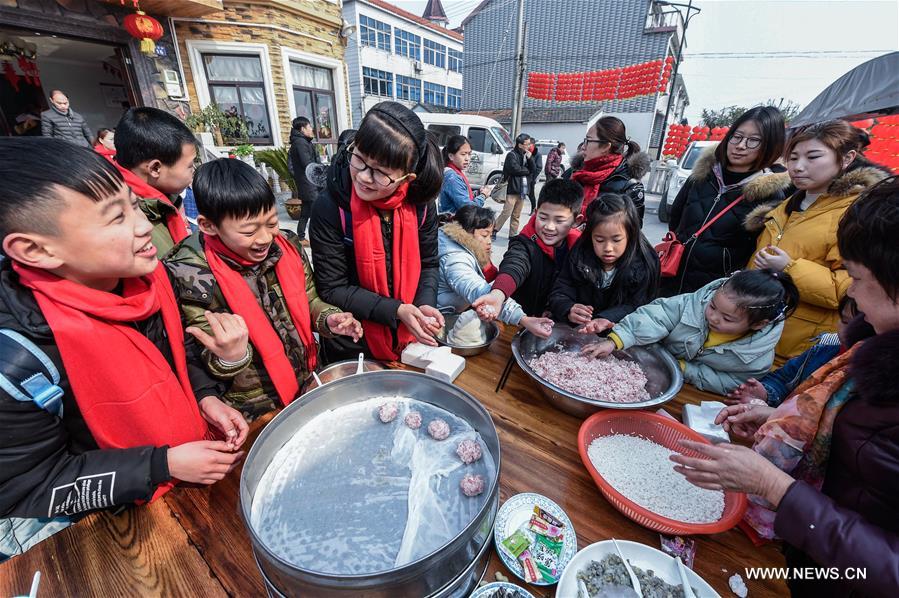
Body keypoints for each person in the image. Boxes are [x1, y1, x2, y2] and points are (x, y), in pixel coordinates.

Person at [0, 139, 249, 555]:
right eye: (116, 218)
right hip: (107, 532)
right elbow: (29, 486)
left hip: (183, 486)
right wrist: (160, 464)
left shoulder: (147, 280)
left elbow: (176, 356)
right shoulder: (19, 360)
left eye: (135, 206)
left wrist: (206, 397)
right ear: (35, 250)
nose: (140, 226)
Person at [671, 176, 899, 596]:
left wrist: (775, 485)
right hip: (815, 557)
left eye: (858, 278)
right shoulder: (869, 347)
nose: (851, 294)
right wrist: (781, 420)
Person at [165, 159, 362, 421]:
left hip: (306, 380)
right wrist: (232, 356)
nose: (265, 238)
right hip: (254, 407)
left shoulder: (287, 247)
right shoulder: (191, 273)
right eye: (249, 231)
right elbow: (201, 357)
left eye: (271, 223)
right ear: (208, 225)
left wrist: (329, 318)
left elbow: (309, 299)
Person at [309, 102, 445, 362]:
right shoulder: (331, 207)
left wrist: (424, 302)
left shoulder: (421, 206)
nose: (363, 177)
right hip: (352, 340)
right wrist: (396, 310)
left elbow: (429, 263)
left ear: (407, 178)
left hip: (409, 339)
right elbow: (333, 288)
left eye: (381, 173)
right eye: (359, 158)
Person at [746, 119, 891, 359]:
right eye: (793, 158)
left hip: (800, 344)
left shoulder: (857, 214)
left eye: (813, 157)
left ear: (847, 158)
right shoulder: (787, 204)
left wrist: (789, 268)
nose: (798, 167)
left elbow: (849, 289)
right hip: (758, 328)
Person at [583, 269, 798, 396]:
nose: (713, 317)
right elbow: (654, 317)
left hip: (694, 393)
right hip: (649, 367)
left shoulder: (756, 357)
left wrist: (686, 370)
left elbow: (732, 383)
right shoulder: (690, 305)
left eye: (727, 318)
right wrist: (616, 340)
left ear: (758, 324)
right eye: (713, 307)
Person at [664, 106, 792, 297]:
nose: (740, 145)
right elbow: (676, 217)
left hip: (717, 292)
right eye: (737, 136)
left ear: (770, 145)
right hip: (670, 276)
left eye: (753, 141)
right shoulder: (702, 176)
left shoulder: (771, 195)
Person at [726, 296, 872, 407]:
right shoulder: (821, 351)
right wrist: (765, 393)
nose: (848, 331)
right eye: (845, 321)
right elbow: (782, 379)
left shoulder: (872, 375)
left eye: (862, 327)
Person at [472, 178, 584, 320]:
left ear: (576, 221)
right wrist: (498, 294)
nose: (549, 226)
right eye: (543, 217)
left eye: (559, 220)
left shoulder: (580, 249)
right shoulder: (524, 244)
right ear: (536, 212)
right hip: (521, 321)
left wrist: (561, 309)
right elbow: (514, 266)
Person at [437, 205, 554, 337]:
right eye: (484, 235)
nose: (489, 242)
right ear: (466, 233)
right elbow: (479, 290)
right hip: (442, 322)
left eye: (491, 236)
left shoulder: (466, 248)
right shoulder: (455, 259)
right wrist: (523, 319)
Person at [548, 193, 660, 329]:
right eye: (599, 240)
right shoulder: (580, 255)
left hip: (621, 336)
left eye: (616, 240)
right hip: (579, 332)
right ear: (590, 236)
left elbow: (640, 306)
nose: (608, 248)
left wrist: (607, 318)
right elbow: (561, 289)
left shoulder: (645, 263)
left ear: (630, 234)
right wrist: (568, 308)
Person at [112, 107, 195, 256]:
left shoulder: (164, 198)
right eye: (189, 166)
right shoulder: (128, 222)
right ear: (155, 168)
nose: (193, 170)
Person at [565, 116, 650, 224]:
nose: (583, 146)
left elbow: (630, 232)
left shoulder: (629, 185)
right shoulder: (573, 173)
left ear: (605, 146)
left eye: (588, 140)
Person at [438, 134, 491, 215]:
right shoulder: (452, 178)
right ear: (451, 156)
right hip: (453, 225)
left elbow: (462, 195)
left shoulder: (454, 172)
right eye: (463, 154)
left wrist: (478, 193)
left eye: (469, 154)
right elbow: (468, 209)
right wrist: (483, 196)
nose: (467, 158)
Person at [494, 133, 533, 239]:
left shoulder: (526, 155)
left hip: (522, 189)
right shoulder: (511, 155)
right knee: (506, 212)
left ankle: (512, 234)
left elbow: (533, 169)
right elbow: (515, 169)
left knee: (516, 214)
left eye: (529, 143)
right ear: (520, 145)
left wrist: (530, 159)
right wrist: (527, 170)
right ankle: (494, 229)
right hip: (512, 188)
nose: (529, 146)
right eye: (527, 144)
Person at [288, 116, 320, 244]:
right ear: (302, 129)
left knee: (306, 211)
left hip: (306, 182)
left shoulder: (302, 141)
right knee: (316, 213)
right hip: (309, 184)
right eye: (309, 126)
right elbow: (307, 163)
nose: (311, 129)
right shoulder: (300, 143)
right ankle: (316, 239)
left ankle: (300, 237)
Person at [527, 140, 542, 213]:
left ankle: (533, 209)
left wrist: (533, 177)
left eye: (529, 144)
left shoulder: (537, 154)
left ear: (533, 144)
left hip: (532, 178)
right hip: (524, 177)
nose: (528, 145)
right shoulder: (526, 152)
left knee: (531, 194)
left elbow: (539, 167)